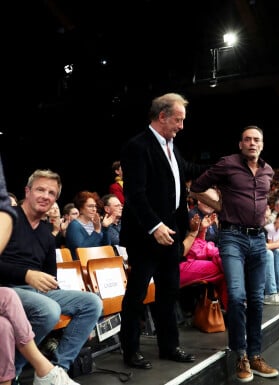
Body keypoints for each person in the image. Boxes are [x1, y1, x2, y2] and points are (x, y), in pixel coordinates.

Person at [189, 125, 279, 383]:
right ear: (240, 144)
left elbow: (259, 200)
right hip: (232, 238)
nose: (252, 143)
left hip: (258, 239)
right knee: (237, 298)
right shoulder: (227, 164)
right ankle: (240, 354)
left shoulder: (268, 171)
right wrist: (221, 205)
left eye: (257, 140)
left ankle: (255, 354)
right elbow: (196, 186)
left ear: (262, 144)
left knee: (257, 299)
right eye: (247, 139)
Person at [119, 92, 201, 370]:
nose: (181, 126)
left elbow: (188, 169)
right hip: (145, 235)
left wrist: (225, 168)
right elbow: (135, 194)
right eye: (178, 120)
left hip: (172, 234)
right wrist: (154, 226)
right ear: (162, 116)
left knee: (168, 293)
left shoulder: (171, 146)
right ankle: (130, 351)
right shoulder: (137, 146)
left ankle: (169, 346)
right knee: (137, 294)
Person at [0, 169, 102, 380]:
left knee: (92, 303)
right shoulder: (8, 218)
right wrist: (26, 274)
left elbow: (49, 276)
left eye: (51, 193)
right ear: (27, 191)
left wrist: (79, 313)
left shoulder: (47, 231)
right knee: (49, 309)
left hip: (35, 291)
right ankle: (16, 372)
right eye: (40, 189)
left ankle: (57, 370)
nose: (45, 196)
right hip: (7, 289)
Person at [1, 287, 79, 385]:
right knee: (8, 296)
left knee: (3, 325)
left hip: (37, 289)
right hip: (14, 285)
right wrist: (27, 275)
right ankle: (47, 373)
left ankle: (58, 370)